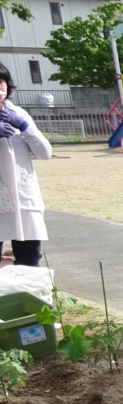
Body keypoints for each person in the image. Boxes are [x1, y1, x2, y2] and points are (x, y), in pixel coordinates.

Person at [0, 67, 51, 269]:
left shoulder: (18, 113)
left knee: (29, 260)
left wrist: (25, 127)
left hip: (23, 198)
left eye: (1, 82)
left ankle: (30, 300)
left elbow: (44, 153)